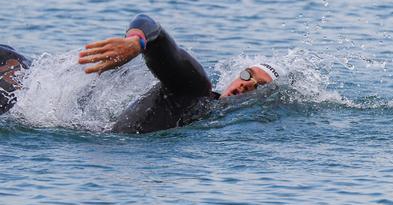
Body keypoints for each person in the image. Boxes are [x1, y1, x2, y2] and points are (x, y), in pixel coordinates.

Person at [78, 14, 284, 134]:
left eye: (260, 85)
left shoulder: (216, 117)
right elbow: (150, 25)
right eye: (248, 75)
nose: (248, 84)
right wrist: (136, 41)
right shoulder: (195, 87)